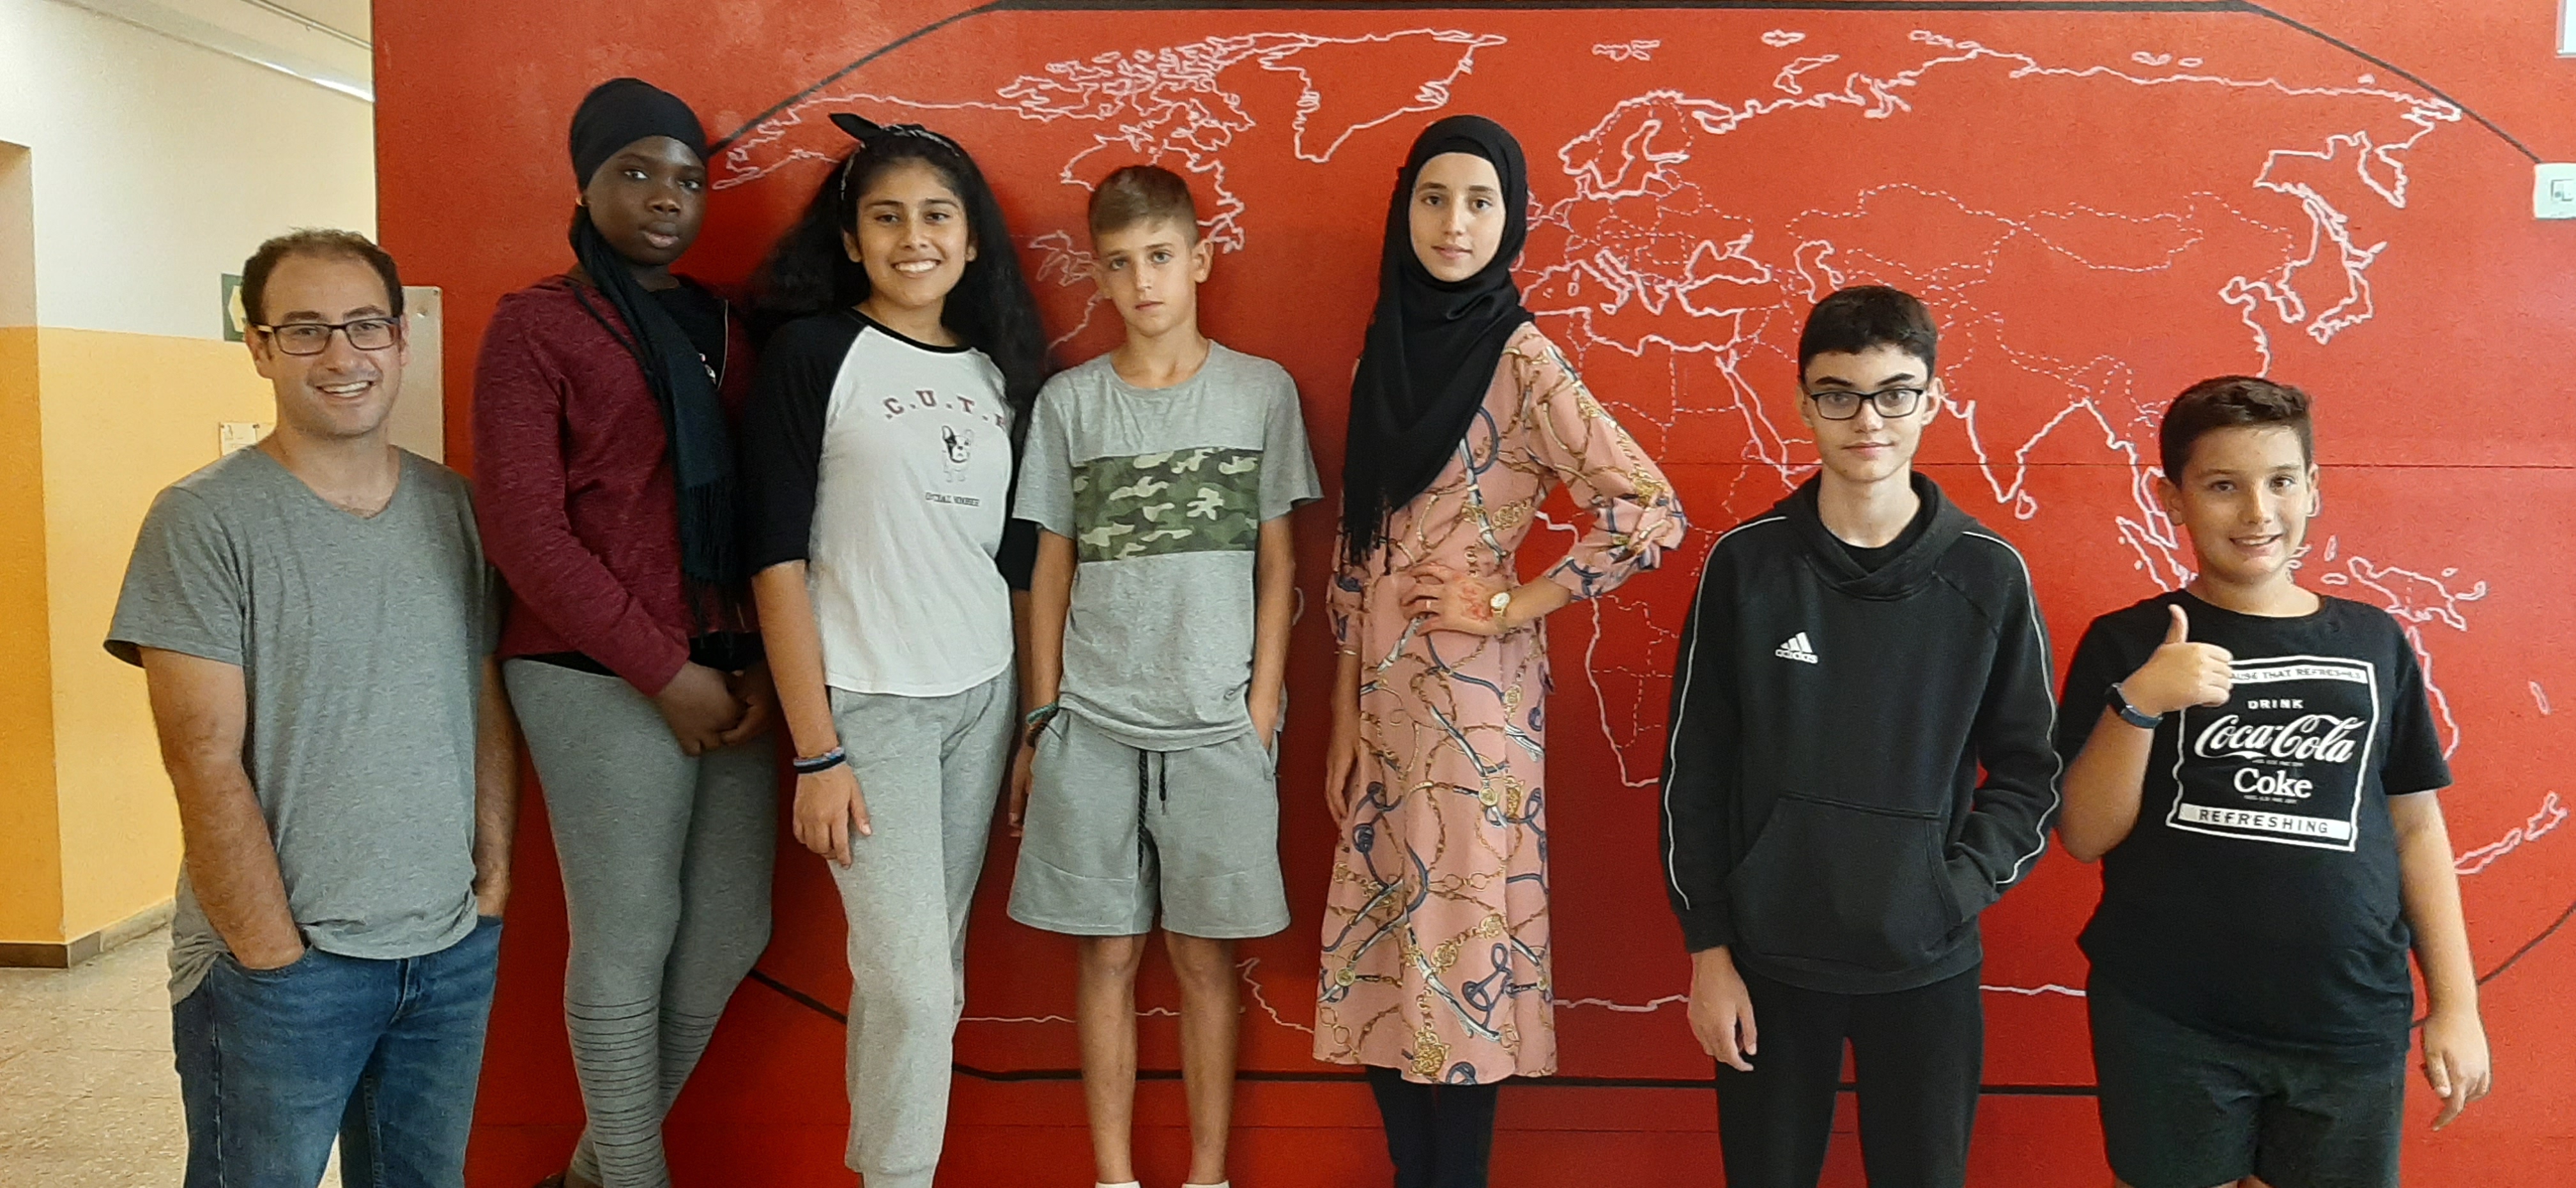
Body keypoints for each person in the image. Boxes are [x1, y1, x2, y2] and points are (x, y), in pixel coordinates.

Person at [1317, 114, 1687, 1188]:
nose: (1455, 223)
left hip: (1474, 708)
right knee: (1383, 951)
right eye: (1434, 198)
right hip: (1380, 702)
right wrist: (1341, 716)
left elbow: (1647, 511)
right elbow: (1355, 550)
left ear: (1510, 220)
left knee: (1461, 950)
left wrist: (1512, 602)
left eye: (1480, 202)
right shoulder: (1381, 353)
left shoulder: (1522, 359)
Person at [109, 229, 515, 1188]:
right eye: (305, 330)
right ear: (259, 347)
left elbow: (483, 696)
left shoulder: (455, 510)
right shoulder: (203, 521)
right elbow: (201, 756)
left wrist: (492, 883)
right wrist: (271, 953)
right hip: (284, 971)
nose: (342, 355)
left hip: (447, 953)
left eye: (365, 325)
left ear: (401, 340)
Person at [1659, 286, 2060, 1188]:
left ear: (1933, 400)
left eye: (1894, 393)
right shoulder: (1747, 564)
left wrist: (1951, 891)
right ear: (1804, 403)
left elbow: (2032, 771)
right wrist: (1708, 951)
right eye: (1838, 394)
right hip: (1767, 963)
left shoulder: (1989, 575)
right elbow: (1696, 769)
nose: (1867, 419)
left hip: (1927, 966)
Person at [2053, 376, 2491, 1188]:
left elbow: (2416, 828)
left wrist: (2457, 1006)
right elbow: (2083, 834)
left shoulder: (2373, 639)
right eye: (2224, 486)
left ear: (2313, 489)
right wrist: (2140, 703)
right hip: (2169, 1016)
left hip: (2348, 1016)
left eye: (2282, 481)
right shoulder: (2127, 642)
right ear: (2173, 500)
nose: (2258, 511)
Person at [470, 78, 776, 1188]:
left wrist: (753, 663)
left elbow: (766, 505)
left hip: (729, 668)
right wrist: (661, 670)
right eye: (636, 172)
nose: (664, 197)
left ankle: (593, 1172)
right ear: (586, 183)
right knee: (629, 932)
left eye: (687, 179)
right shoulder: (538, 325)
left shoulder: (731, 328)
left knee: (730, 930)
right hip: (589, 668)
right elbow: (524, 533)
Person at [739, 112, 1046, 1188]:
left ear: (971, 238)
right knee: (913, 985)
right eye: (887, 217)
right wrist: (816, 750)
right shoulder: (813, 355)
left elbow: (1015, 562)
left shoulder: (999, 372)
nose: (914, 237)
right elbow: (774, 559)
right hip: (869, 705)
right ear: (852, 238)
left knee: (924, 978)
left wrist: (1031, 720)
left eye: (936, 216)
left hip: (982, 696)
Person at [1004, 164, 1317, 1188]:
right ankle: (1113, 1177)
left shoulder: (1261, 392)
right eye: (1120, 263)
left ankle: (1207, 1175)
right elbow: (1050, 568)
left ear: (1200, 260)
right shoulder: (1070, 404)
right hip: (1091, 724)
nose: (1143, 281)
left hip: (1220, 727)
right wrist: (1043, 715)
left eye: (1161, 257)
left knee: (1203, 958)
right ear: (1097, 275)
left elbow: (1280, 563)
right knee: (1104, 955)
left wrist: (1261, 709)